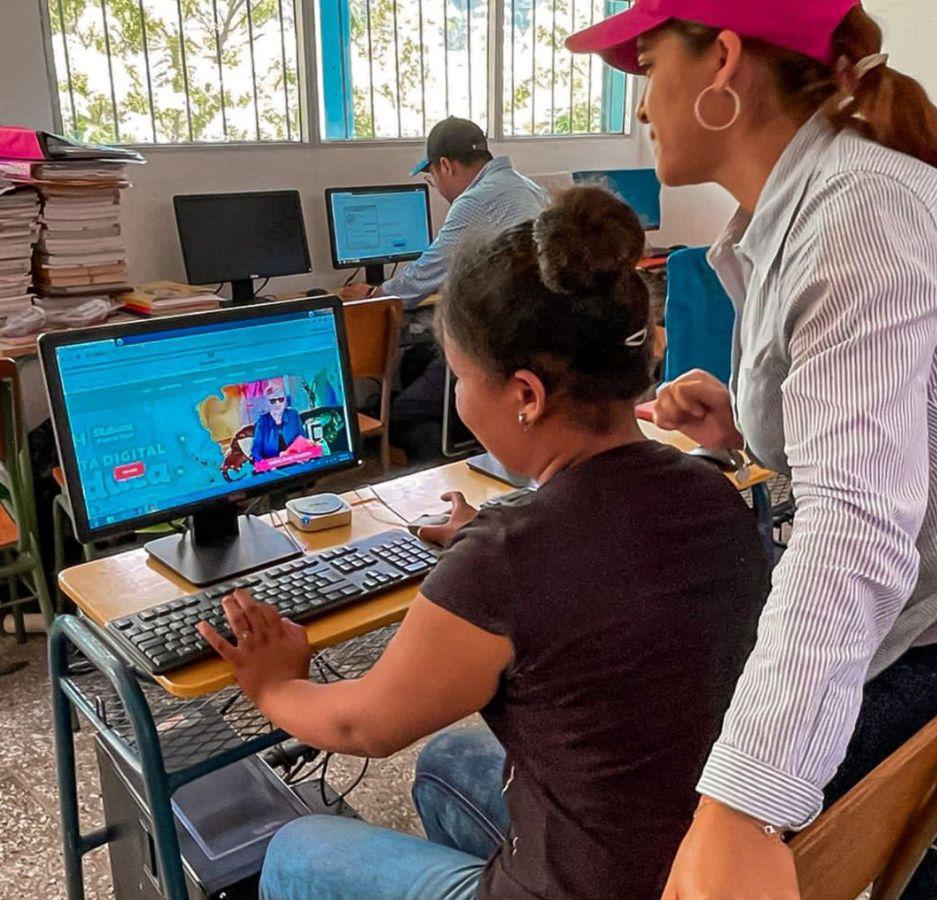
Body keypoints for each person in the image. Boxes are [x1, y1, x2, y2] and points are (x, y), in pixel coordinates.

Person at [566, 3, 937, 898]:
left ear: (723, 63)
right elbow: (882, 428)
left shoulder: (859, 215)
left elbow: (856, 523)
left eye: (648, 66)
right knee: (907, 839)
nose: (642, 108)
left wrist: (739, 809)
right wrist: (743, 425)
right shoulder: (808, 207)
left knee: (714, 830)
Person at [201, 187, 771, 899]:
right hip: (701, 861)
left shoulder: (509, 558)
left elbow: (361, 724)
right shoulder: (711, 488)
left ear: (526, 394)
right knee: (446, 763)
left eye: (463, 379)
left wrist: (271, 683)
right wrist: (483, 539)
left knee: (297, 849)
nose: (461, 402)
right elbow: (602, 568)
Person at [343, 117, 548, 459]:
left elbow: (420, 279)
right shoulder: (526, 187)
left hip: (502, 347)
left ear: (446, 166)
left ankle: (446, 476)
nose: (436, 185)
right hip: (533, 339)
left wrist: (373, 295)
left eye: (432, 177)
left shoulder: (475, 200)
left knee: (402, 414)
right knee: (417, 360)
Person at [249, 379, 303, 463]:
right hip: (273, 467)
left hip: (296, 462)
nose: (278, 404)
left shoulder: (293, 415)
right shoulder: (262, 421)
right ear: (267, 402)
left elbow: (303, 440)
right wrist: (267, 466)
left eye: (281, 399)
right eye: (273, 401)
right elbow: (255, 452)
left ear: (285, 400)